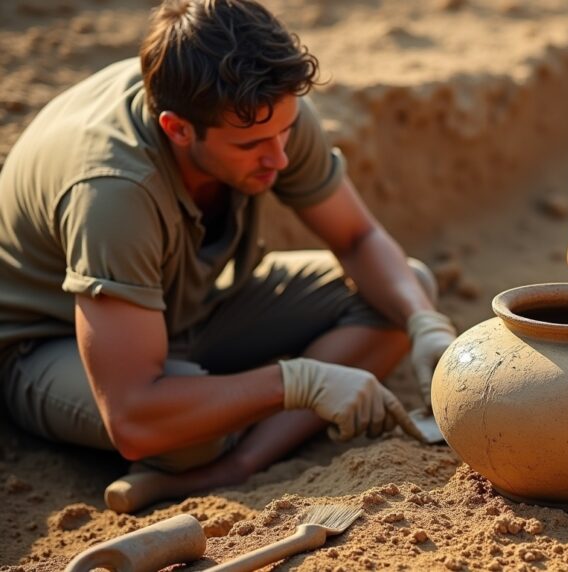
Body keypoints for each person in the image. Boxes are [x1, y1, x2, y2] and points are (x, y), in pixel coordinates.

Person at [0, 0, 457, 512]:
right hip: (49, 343)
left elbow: (357, 239)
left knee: (403, 292)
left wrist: (423, 323)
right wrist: (300, 382)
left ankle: (235, 464)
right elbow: (131, 417)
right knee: (181, 434)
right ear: (177, 129)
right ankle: (211, 441)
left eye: (285, 132)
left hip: (183, 307)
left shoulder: (257, 110)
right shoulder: (112, 191)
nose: (280, 157)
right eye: (255, 145)